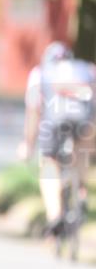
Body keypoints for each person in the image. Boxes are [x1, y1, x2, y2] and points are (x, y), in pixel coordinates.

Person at [22, 41, 96, 236]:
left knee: (49, 162)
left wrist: (28, 145)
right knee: (81, 154)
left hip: (54, 122)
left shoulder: (40, 73)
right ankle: (81, 192)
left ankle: (54, 215)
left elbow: (33, 112)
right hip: (84, 120)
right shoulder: (87, 69)